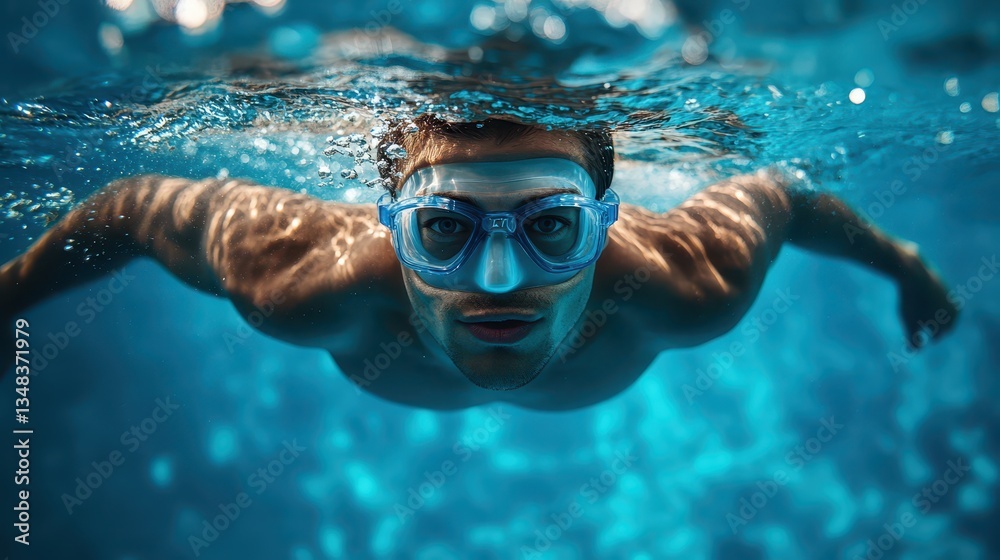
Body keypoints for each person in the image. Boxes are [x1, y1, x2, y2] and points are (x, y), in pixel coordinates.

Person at [0, 115, 957, 410]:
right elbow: (125, 209)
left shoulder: (684, 282)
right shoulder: (298, 278)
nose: (499, 285)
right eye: (444, 230)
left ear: (606, 224)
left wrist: (904, 260)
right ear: (389, 227)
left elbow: (782, 198)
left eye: (552, 228)